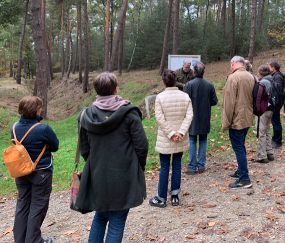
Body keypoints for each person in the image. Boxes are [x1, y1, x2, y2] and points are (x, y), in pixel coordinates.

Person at [75, 72, 148, 243]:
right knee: (117, 220)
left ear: (97, 91)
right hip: (124, 173)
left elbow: (85, 149)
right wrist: (139, 166)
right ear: (116, 89)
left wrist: (96, 164)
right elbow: (142, 146)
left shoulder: (86, 115)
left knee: (100, 217)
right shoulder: (129, 113)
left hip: (98, 173)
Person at [12, 96, 59, 243]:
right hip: (41, 172)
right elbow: (55, 146)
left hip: (21, 172)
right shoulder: (43, 128)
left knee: (22, 205)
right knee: (37, 207)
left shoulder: (14, 127)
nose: (41, 109)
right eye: (39, 108)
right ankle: (34, 240)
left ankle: (20, 239)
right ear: (35, 111)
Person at [149, 69, 193, 208]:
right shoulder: (185, 96)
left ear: (163, 81)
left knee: (164, 167)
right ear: (175, 80)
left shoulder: (160, 97)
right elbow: (189, 116)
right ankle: (174, 196)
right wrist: (180, 132)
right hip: (180, 137)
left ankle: (161, 197)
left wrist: (171, 133)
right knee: (177, 165)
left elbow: (160, 119)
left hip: (166, 139)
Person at [221, 56, 255, 188]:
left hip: (237, 119)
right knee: (241, 145)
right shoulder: (250, 75)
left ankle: (244, 178)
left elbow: (229, 103)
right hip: (247, 116)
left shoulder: (233, 77)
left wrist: (226, 122)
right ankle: (241, 170)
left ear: (233, 63)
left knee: (239, 147)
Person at [183, 62, 218, 175]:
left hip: (191, 117)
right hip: (204, 116)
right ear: (203, 72)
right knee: (203, 140)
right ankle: (201, 165)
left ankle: (193, 167)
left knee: (192, 140)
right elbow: (214, 101)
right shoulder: (209, 85)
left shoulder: (188, 85)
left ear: (194, 72)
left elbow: (184, 102)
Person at [256, 65, 275, 163]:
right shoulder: (272, 80)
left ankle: (262, 156)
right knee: (267, 131)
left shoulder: (262, 82)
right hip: (271, 108)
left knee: (261, 132)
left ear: (261, 73)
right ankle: (269, 152)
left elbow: (258, 97)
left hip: (263, 110)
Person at [268, 61, 284, 148]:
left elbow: (277, 91)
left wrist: (274, 102)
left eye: (269, 67)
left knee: (276, 122)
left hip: (276, 103)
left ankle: (278, 141)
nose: (268, 69)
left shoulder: (277, 76)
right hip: (275, 102)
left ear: (273, 68)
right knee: (274, 121)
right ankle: (275, 137)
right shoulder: (276, 75)